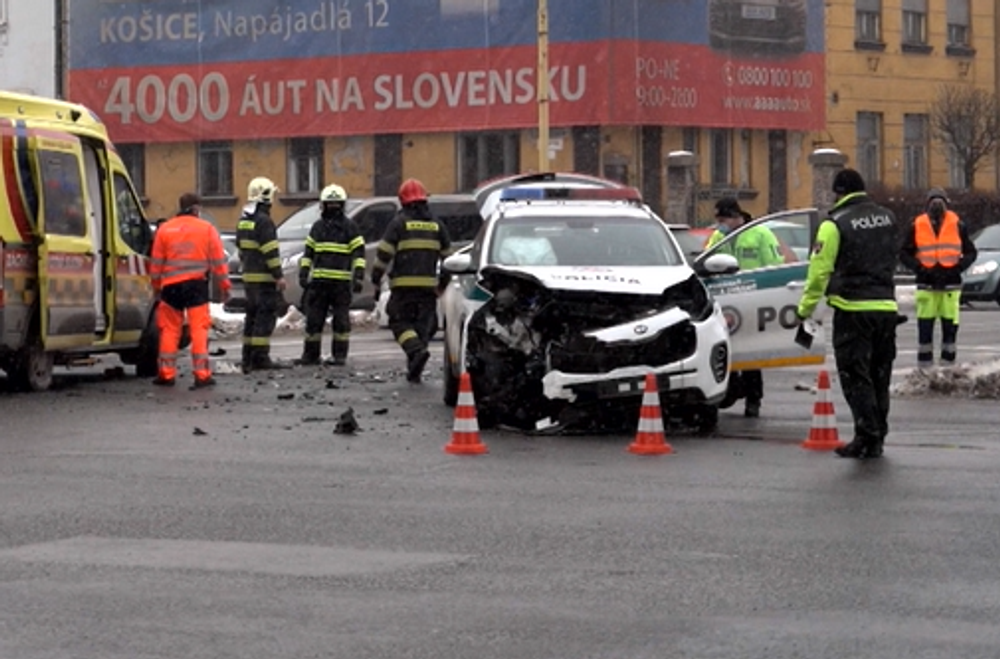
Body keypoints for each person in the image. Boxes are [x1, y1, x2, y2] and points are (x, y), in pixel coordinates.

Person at [796, 168, 899, 459]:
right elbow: (891, 257)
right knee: (879, 376)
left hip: (853, 310)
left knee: (856, 377)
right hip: (886, 308)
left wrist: (806, 308)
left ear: (838, 192)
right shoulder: (887, 217)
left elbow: (819, 271)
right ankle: (878, 435)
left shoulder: (835, 224)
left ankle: (866, 436)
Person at [371, 178, 454, 383]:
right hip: (428, 289)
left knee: (399, 321)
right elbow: (449, 260)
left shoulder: (399, 223)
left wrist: (376, 278)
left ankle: (415, 352)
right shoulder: (437, 225)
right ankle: (415, 367)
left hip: (403, 288)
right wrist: (442, 284)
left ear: (403, 201)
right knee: (422, 327)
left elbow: (383, 255)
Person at [707, 197, 784, 417]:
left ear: (734, 216)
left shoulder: (760, 234)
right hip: (725, 303)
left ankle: (753, 399)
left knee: (751, 353)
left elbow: (775, 266)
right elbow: (707, 261)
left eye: (722, 220)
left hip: (753, 299)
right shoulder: (718, 237)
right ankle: (731, 390)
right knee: (726, 351)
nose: (720, 225)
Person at [148, 193, 230, 388]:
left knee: (169, 330)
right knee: (199, 329)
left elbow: (156, 263)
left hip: (171, 287)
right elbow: (218, 261)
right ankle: (202, 375)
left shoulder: (165, 229)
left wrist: (156, 287)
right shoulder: (207, 229)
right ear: (196, 208)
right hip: (196, 286)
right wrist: (224, 286)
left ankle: (166, 374)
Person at [899, 188, 977, 368]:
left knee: (949, 330)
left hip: (948, 284)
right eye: (934, 201)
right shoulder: (917, 225)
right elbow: (904, 253)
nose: (937, 206)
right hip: (928, 284)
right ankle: (925, 368)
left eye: (940, 201)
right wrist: (920, 268)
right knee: (925, 330)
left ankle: (947, 367)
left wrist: (957, 268)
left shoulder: (958, 225)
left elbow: (970, 252)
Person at [296, 183, 365, 366]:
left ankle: (337, 356)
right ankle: (312, 356)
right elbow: (308, 253)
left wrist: (358, 276)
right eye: (330, 204)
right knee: (315, 321)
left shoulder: (347, 228)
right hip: (322, 284)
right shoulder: (320, 228)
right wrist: (303, 273)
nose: (332, 207)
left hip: (338, 285)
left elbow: (359, 254)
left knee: (338, 322)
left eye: (335, 204)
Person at [236, 176, 289, 373]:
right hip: (265, 281)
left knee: (251, 318)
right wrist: (279, 276)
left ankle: (248, 356)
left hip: (250, 280)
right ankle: (260, 357)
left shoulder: (244, 221)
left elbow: (241, 249)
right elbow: (270, 252)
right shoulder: (264, 221)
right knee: (265, 318)